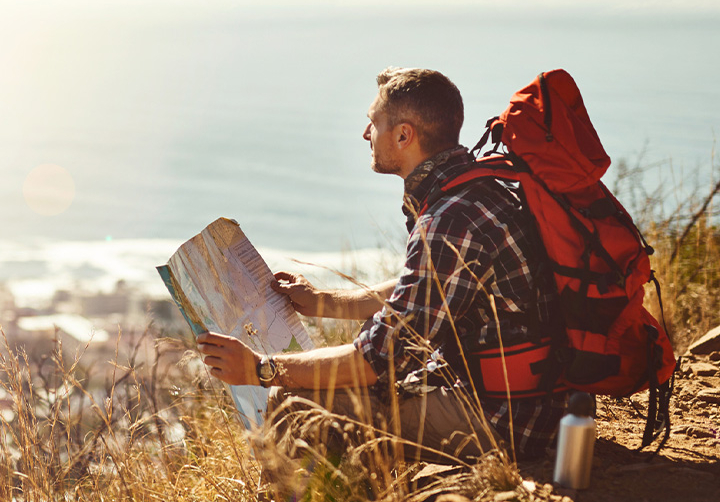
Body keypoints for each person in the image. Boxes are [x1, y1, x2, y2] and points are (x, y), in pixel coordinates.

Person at [196, 67, 565, 464]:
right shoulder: (475, 188)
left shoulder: (448, 222)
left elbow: (376, 360)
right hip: (538, 402)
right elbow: (426, 287)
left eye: (373, 123)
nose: (365, 134)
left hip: (504, 423)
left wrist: (261, 369)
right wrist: (327, 301)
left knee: (294, 401)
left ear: (404, 136)